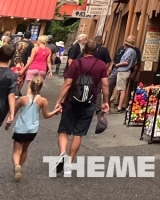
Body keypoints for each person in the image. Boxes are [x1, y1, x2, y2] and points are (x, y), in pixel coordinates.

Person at [54, 40, 109, 173]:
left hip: (72, 100)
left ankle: (62, 153)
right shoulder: (101, 65)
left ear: (83, 50)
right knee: (78, 133)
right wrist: (105, 101)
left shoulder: (76, 63)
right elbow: (105, 85)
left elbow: (67, 83)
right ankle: (70, 162)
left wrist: (59, 100)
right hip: (90, 101)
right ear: (96, 51)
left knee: (64, 129)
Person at [8, 76, 60, 181]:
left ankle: (16, 166)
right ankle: (20, 167)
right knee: (25, 149)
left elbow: (13, 111)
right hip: (32, 130)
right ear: (41, 87)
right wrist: (56, 111)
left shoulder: (23, 99)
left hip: (20, 129)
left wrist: (9, 122)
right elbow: (46, 115)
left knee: (16, 150)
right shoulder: (43, 101)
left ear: (30, 85)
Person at [109, 37, 138, 113]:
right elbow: (135, 62)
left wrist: (118, 65)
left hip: (123, 71)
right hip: (125, 71)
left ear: (126, 44)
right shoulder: (133, 51)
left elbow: (126, 62)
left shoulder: (129, 51)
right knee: (121, 88)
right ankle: (118, 105)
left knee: (122, 89)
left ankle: (119, 107)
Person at [0, 46, 17, 132]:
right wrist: (12, 112)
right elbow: (11, 95)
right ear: (11, 57)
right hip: (1, 106)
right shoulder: (12, 75)